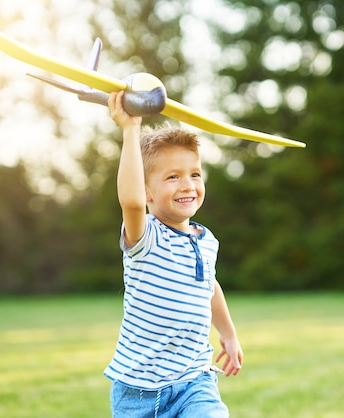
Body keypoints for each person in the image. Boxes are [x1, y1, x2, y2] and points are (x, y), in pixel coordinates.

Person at [104, 91, 243, 418]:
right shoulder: (146, 236)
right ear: (148, 190)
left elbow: (209, 286)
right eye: (172, 176)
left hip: (194, 380)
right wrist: (130, 129)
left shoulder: (206, 240)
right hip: (137, 390)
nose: (188, 185)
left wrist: (228, 333)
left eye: (194, 174)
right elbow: (132, 203)